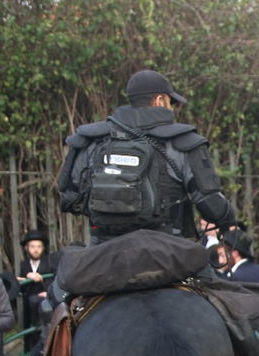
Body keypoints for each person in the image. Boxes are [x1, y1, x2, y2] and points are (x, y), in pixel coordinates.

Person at [57, 69, 234, 242]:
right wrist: (227, 218)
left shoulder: (91, 140)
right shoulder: (183, 142)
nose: (172, 109)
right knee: (207, 272)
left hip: (103, 249)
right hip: (167, 251)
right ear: (159, 100)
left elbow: (69, 199)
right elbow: (212, 207)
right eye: (170, 102)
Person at [16, 229, 55, 355]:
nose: (36, 249)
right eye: (32, 246)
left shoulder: (49, 262)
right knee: (30, 336)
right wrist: (26, 277)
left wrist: (46, 289)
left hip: (45, 305)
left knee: (45, 335)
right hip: (28, 307)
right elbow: (20, 286)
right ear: (27, 248)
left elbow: (55, 280)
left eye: (39, 246)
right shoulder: (24, 264)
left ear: (43, 248)